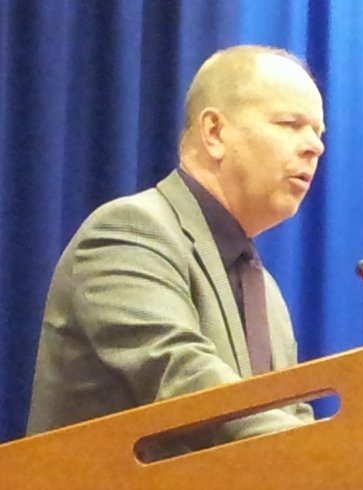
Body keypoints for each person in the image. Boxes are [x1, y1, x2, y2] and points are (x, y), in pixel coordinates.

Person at [26, 45, 325, 457]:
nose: (314, 147)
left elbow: (290, 417)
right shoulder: (130, 232)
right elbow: (184, 380)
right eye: (290, 124)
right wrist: (325, 455)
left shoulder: (265, 291)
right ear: (214, 133)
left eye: (318, 133)